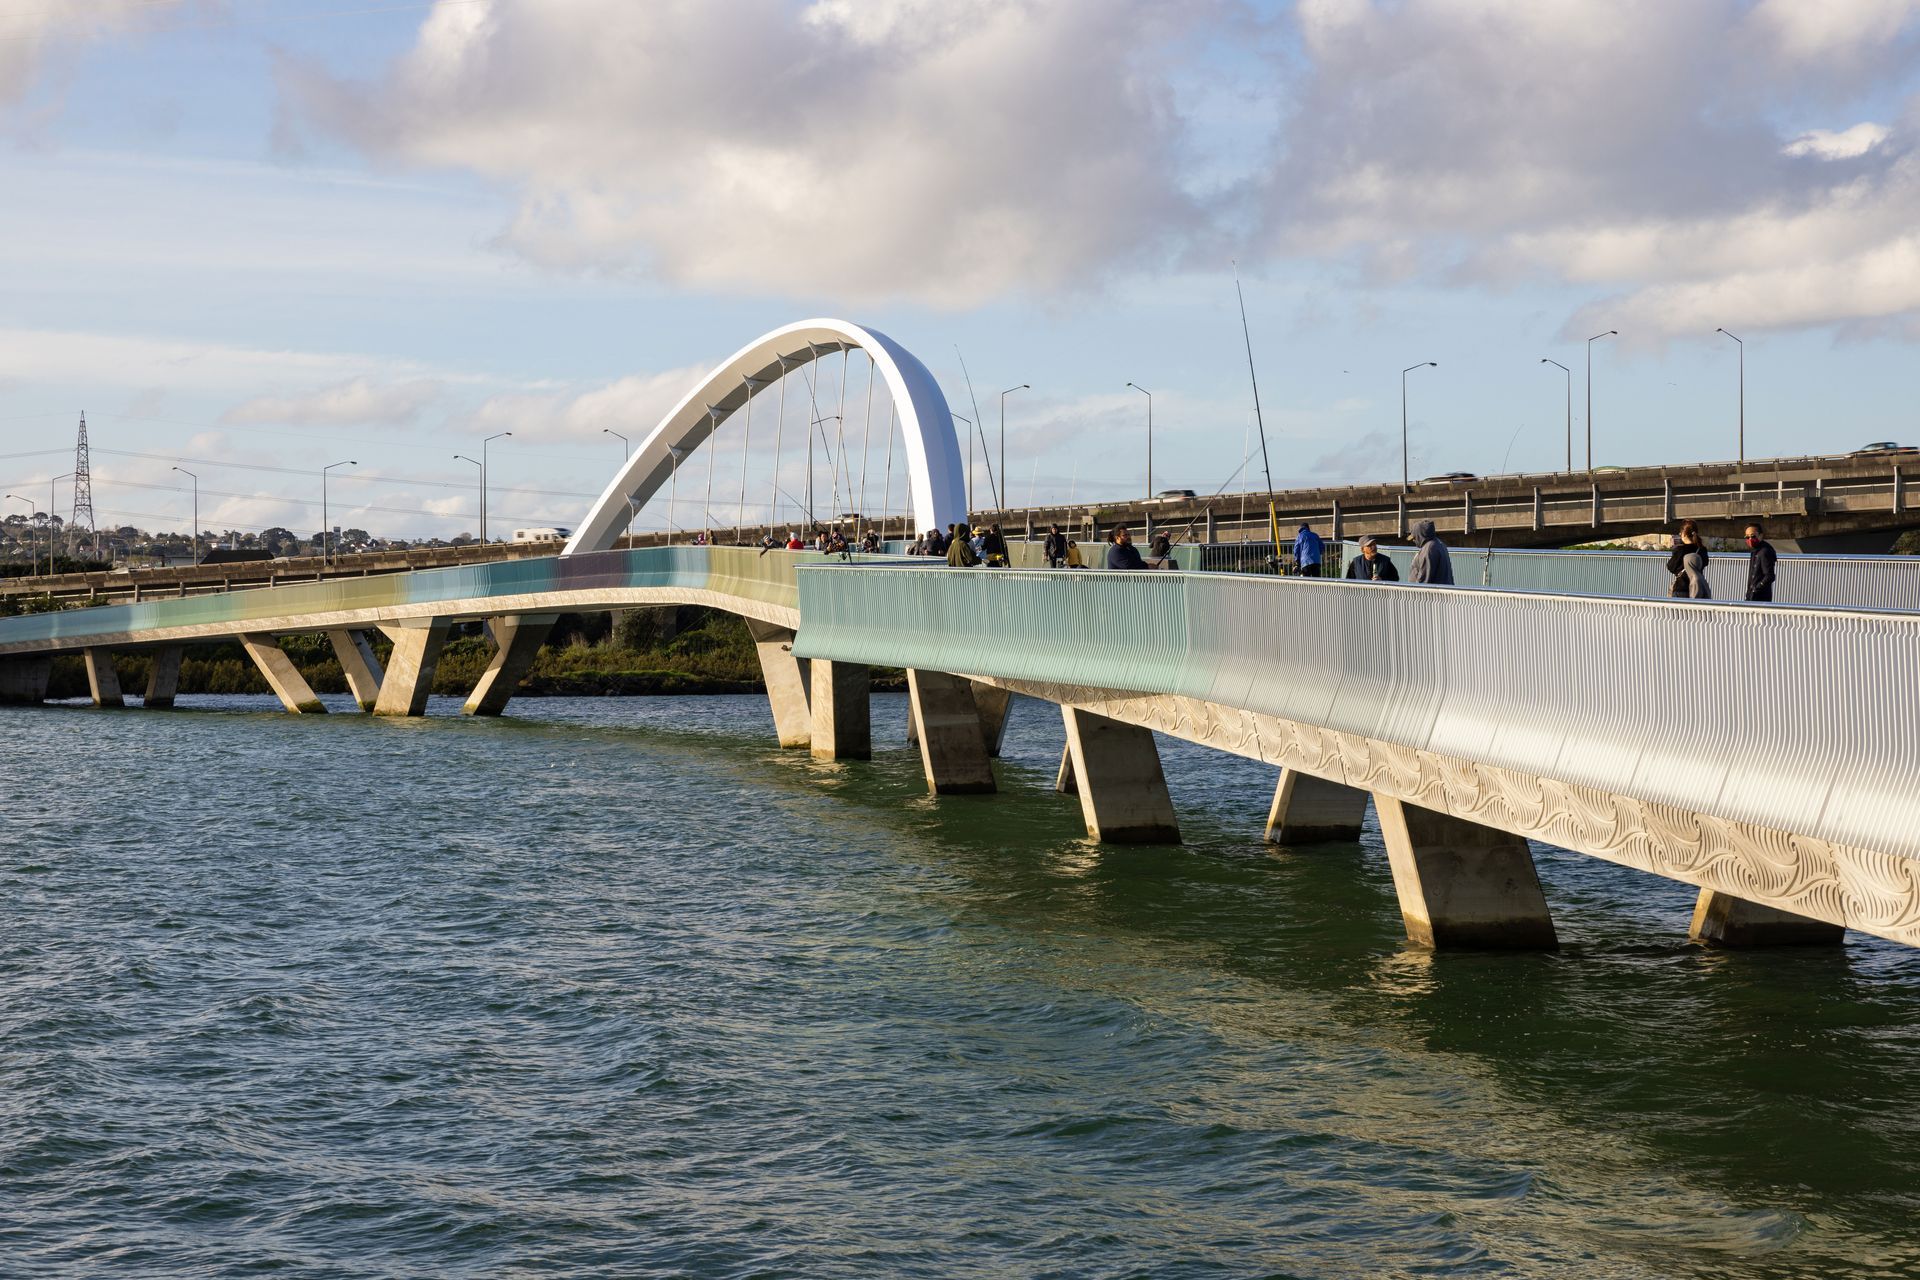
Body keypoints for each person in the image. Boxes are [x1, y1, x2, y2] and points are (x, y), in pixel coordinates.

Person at [1667, 520, 1708, 598]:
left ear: (1684, 534)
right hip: (1697, 588)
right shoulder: (1702, 550)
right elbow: (1705, 563)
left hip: (1681, 589)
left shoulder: (1680, 550)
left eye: (1681, 532)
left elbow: (1671, 567)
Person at [1407, 520, 1453, 585]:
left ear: (1420, 535)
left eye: (1414, 537)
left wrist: (1417, 589)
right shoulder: (1438, 544)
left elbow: (1424, 580)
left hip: (1432, 591)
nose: (1413, 540)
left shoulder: (1429, 550)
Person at [1745, 522, 1778, 602]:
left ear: (1761, 535)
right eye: (1747, 537)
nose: (1750, 539)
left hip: (1760, 598)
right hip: (1752, 596)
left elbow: (1769, 576)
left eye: (1753, 536)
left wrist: (1756, 589)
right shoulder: (1755, 550)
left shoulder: (1764, 551)